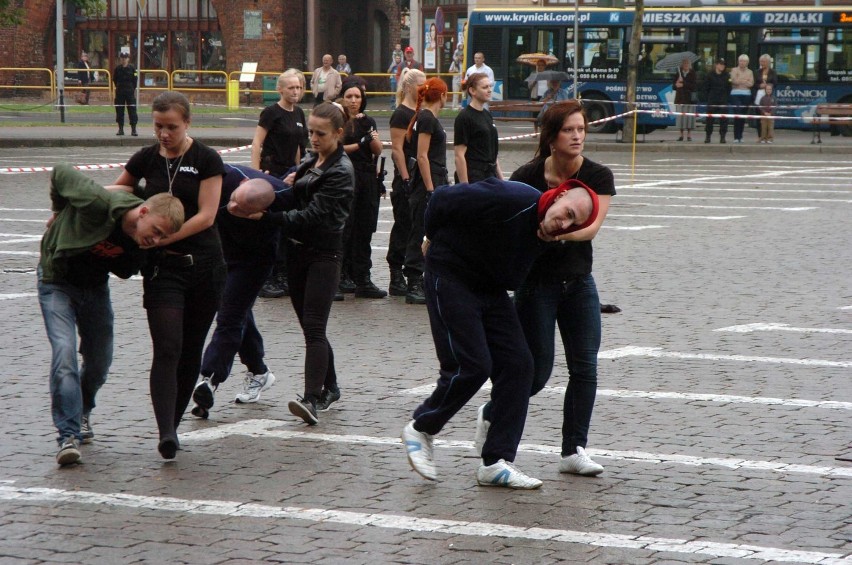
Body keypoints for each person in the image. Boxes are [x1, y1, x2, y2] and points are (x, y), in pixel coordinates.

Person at [401, 175, 599, 488]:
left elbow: (551, 277)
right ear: (558, 196)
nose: (564, 222)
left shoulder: (549, 241)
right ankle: (422, 427)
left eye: (572, 223)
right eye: (567, 211)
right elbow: (441, 199)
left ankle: (495, 462)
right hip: (450, 274)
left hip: (490, 289)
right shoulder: (513, 198)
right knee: (472, 365)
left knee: (520, 365)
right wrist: (431, 237)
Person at [474, 100, 615, 478]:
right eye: (569, 130)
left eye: (581, 129)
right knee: (535, 374)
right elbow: (506, 224)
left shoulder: (598, 176)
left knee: (585, 367)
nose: (577, 136)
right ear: (551, 137)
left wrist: (552, 233)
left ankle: (574, 450)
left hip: (579, 282)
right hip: (536, 285)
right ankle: (493, 412)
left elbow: (591, 226)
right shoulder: (527, 176)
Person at [39, 164, 184, 466]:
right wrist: (59, 211)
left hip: (94, 289)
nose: (155, 239)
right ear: (143, 213)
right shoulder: (99, 203)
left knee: (100, 361)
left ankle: (83, 410)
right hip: (57, 282)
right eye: (155, 231)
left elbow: (128, 266)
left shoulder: (143, 247)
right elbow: (61, 172)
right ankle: (67, 434)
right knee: (64, 354)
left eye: (162, 237)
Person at [112, 91, 226, 460]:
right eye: (158, 126)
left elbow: (207, 215)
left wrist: (162, 235)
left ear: (187, 123)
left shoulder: (206, 159)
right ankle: (165, 432)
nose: (164, 134)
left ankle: (173, 425)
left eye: (171, 127)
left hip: (205, 266)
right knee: (167, 348)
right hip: (163, 270)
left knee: (191, 349)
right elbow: (117, 191)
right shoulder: (145, 158)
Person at [258, 102, 355, 422]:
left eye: (320, 133)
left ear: (339, 134)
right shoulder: (314, 159)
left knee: (314, 327)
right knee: (310, 327)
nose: (312, 138)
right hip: (297, 252)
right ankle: (332, 386)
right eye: (310, 131)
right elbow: (291, 193)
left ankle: (312, 398)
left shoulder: (341, 171)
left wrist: (267, 217)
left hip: (324, 254)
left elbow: (312, 215)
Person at [190, 166, 294, 419]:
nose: (233, 208)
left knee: (230, 317)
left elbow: (312, 209)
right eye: (234, 201)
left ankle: (209, 380)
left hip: (255, 261)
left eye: (243, 210)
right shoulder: (222, 175)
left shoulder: (283, 197)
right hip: (221, 253)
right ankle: (259, 371)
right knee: (238, 309)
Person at [251, 69, 309, 299]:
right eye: (291, 88)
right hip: (271, 174)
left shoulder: (299, 114)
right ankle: (267, 277)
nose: (295, 92)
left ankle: (283, 274)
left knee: (287, 226)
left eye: (298, 88)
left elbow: (299, 148)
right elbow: (257, 144)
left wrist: (300, 173)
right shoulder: (271, 113)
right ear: (280, 89)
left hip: (291, 175)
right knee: (269, 227)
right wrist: (256, 176)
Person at [338, 79, 386, 299]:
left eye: (357, 97)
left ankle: (362, 278)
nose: (354, 101)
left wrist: (370, 136)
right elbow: (336, 149)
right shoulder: (338, 119)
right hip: (346, 176)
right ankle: (340, 275)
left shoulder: (368, 121)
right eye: (349, 96)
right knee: (345, 227)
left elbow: (377, 148)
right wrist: (361, 142)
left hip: (367, 177)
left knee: (365, 227)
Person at [404, 77, 448, 305]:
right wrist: (431, 188)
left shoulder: (426, 117)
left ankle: (425, 275)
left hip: (437, 177)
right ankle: (413, 279)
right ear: (443, 96)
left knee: (431, 229)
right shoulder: (427, 118)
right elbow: (422, 156)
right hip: (428, 181)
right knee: (420, 228)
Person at [386, 68, 426, 298]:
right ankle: (395, 272)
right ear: (409, 86)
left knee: (416, 227)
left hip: (420, 178)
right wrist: (405, 178)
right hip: (406, 178)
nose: (424, 90)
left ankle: (410, 272)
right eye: (421, 86)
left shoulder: (422, 113)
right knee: (403, 224)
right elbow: (398, 150)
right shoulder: (401, 114)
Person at [453, 73, 503, 184]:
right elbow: (459, 155)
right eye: (485, 87)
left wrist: (502, 180)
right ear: (472, 91)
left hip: (490, 176)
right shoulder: (464, 117)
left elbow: (492, 154)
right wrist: (465, 187)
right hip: (475, 177)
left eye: (490, 86)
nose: (489, 90)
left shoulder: (487, 114)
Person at [703, 58, 731, 144]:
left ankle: (722, 137)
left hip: (723, 99)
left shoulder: (727, 75)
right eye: (720, 64)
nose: (722, 66)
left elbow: (729, 88)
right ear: (716, 65)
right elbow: (706, 87)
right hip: (712, 99)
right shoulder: (710, 75)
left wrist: (726, 97)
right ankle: (708, 136)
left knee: (723, 120)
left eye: (723, 64)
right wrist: (708, 97)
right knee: (709, 119)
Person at [729, 54, 754, 143]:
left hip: (747, 94)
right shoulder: (734, 70)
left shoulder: (750, 72)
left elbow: (751, 84)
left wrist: (740, 81)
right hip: (735, 94)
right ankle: (736, 136)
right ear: (738, 62)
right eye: (741, 61)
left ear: (747, 63)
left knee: (743, 116)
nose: (742, 63)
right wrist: (744, 81)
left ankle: (741, 136)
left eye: (744, 61)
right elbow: (734, 81)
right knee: (737, 114)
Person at [112, 52, 138, 136]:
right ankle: (120, 129)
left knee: (132, 110)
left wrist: (132, 88)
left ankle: (133, 130)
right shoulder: (117, 69)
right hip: (120, 91)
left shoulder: (132, 68)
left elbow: (135, 80)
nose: (123, 60)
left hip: (129, 91)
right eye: (122, 58)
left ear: (128, 59)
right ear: (120, 59)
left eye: (125, 58)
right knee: (119, 110)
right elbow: (114, 79)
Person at [673, 57, 697, 141]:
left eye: (687, 63)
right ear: (682, 65)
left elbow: (694, 86)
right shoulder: (678, 73)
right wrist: (676, 84)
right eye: (684, 63)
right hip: (680, 98)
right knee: (681, 118)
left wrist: (684, 83)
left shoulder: (693, 73)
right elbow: (673, 86)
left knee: (689, 117)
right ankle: (681, 135)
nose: (686, 65)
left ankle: (689, 135)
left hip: (689, 99)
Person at [449, 42, 465, 108]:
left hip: (463, 80)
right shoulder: (454, 63)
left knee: (464, 94)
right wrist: (454, 71)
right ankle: (454, 107)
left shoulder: (465, 62)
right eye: (460, 55)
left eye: (462, 55)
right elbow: (449, 71)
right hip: (456, 80)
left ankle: (463, 106)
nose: (461, 57)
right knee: (455, 94)